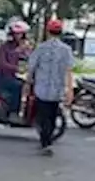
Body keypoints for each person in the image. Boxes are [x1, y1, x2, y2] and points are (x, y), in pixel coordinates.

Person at [24, 18, 75, 156]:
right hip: (56, 90)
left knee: (43, 115)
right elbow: (69, 72)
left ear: (48, 31)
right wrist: (70, 90)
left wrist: (27, 85)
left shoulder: (41, 48)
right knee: (52, 116)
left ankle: (45, 142)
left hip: (41, 89)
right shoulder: (66, 50)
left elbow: (31, 69)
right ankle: (47, 141)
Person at [0, 21, 32, 118]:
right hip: (3, 77)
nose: (18, 36)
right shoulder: (4, 47)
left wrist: (28, 51)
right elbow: (2, 63)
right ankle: (13, 112)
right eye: (16, 34)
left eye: (21, 34)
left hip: (13, 76)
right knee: (19, 86)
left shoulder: (22, 47)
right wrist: (16, 68)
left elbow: (29, 58)